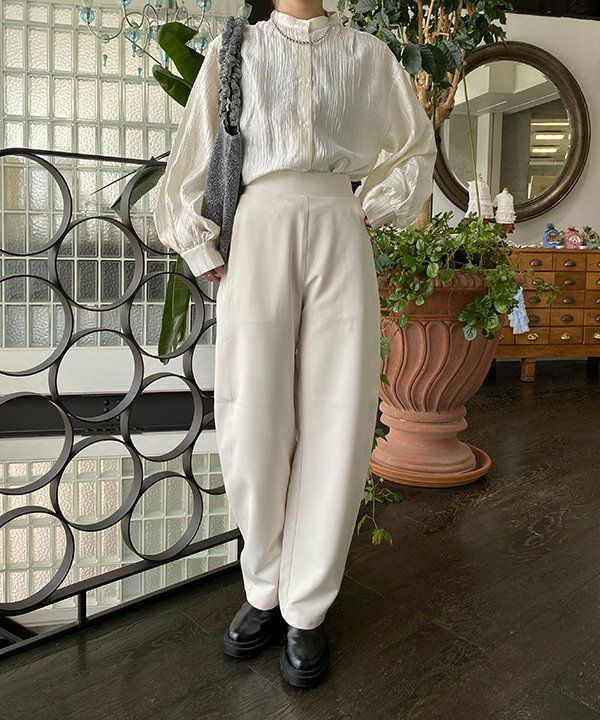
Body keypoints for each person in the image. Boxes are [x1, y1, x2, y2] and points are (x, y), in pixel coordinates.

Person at [153, 0, 436, 689]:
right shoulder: (236, 50)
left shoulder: (368, 55)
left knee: (339, 413)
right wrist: (198, 244)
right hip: (259, 223)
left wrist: (371, 210)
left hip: (340, 219)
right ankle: (263, 586)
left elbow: (414, 146)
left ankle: (307, 604)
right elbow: (191, 154)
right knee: (251, 411)